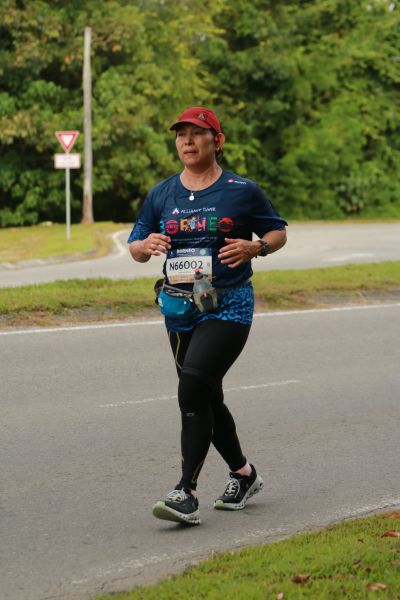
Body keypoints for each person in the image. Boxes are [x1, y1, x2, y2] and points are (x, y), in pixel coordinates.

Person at [128, 106, 287, 525]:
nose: (187, 141)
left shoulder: (242, 190)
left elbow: (277, 231)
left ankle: (186, 491)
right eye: (181, 134)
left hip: (228, 304)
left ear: (217, 141)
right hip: (179, 308)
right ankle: (244, 475)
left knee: (192, 388)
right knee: (206, 396)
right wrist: (146, 246)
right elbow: (136, 247)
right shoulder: (162, 193)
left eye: (197, 133)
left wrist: (257, 247)